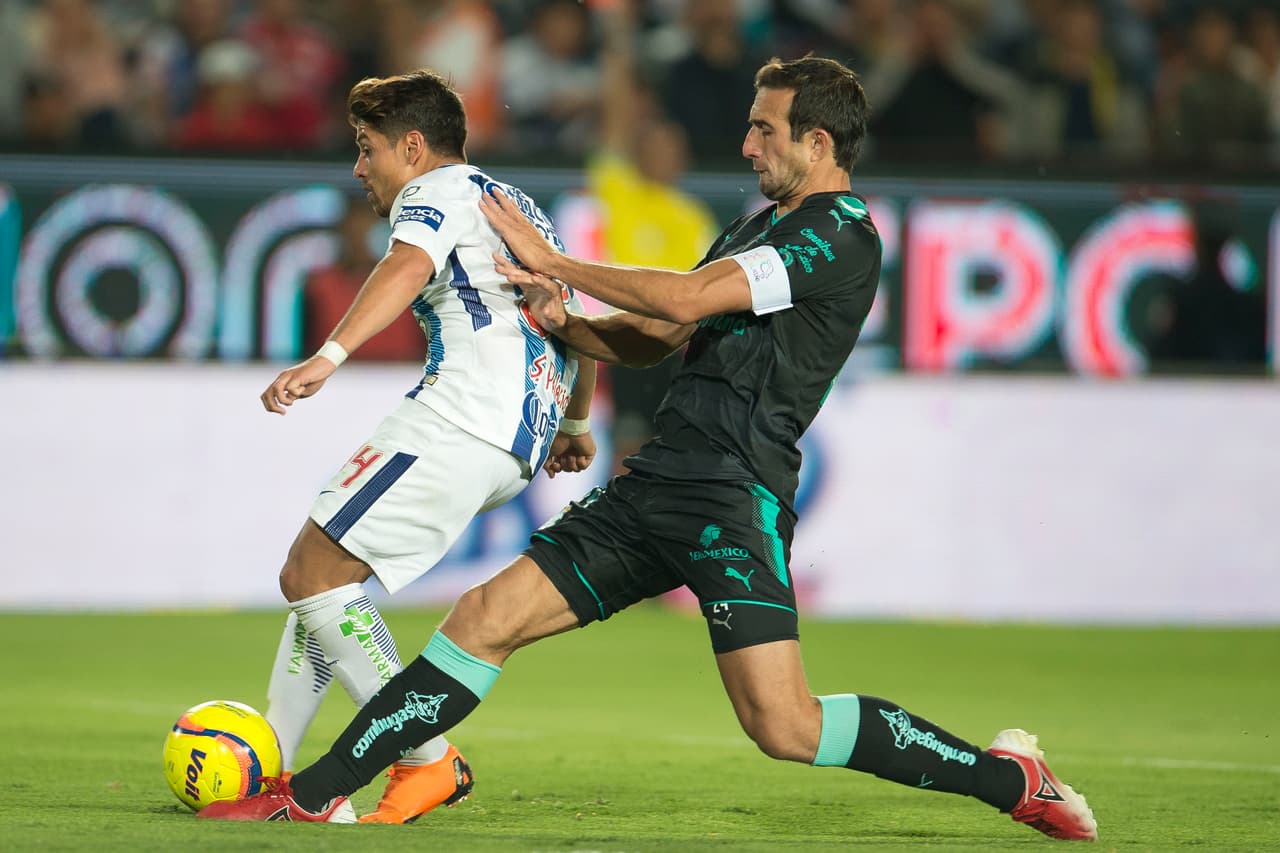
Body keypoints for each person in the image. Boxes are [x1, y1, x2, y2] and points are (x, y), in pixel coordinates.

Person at [199, 56, 1099, 843]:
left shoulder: (840, 234)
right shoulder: (755, 228)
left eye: (765, 129)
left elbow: (686, 300)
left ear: (819, 142)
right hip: (656, 482)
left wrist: (557, 265)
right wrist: (566, 322)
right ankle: (312, 796)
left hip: (732, 495)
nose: (747, 146)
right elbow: (657, 337)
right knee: (482, 618)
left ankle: (1008, 779)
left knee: (784, 725)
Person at [251, 68, 598, 825]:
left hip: (461, 415)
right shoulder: (519, 206)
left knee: (312, 571)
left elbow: (405, 266)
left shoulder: (435, 189)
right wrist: (573, 422)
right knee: (328, 575)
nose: (359, 167)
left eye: (366, 146)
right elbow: (573, 320)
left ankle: (426, 755)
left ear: (412, 146)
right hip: (513, 439)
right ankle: (271, 760)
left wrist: (327, 357)